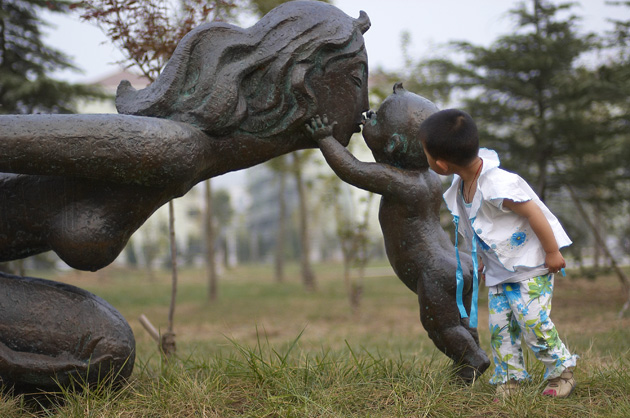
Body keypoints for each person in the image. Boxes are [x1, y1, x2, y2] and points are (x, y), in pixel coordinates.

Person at [0, 0, 370, 271]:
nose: (366, 106)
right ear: (301, 78)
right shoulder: (173, 148)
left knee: (105, 351)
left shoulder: (197, 158)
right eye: (356, 80)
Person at [307, 83, 490, 383]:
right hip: (459, 263)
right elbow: (385, 160)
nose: (369, 116)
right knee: (460, 320)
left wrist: (324, 138)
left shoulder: (398, 181)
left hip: (433, 270)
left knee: (440, 326)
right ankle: (470, 353)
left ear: (392, 145)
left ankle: (472, 358)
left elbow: (351, 169)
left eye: (376, 118)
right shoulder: (429, 177)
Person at [419, 108, 578, 398]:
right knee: (501, 328)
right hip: (497, 273)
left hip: (530, 266)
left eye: (426, 154)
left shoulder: (498, 184)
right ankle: (510, 379)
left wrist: (552, 251)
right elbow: (476, 227)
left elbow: (534, 212)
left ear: (440, 164)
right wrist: (479, 260)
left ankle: (561, 371)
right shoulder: (460, 187)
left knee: (532, 323)